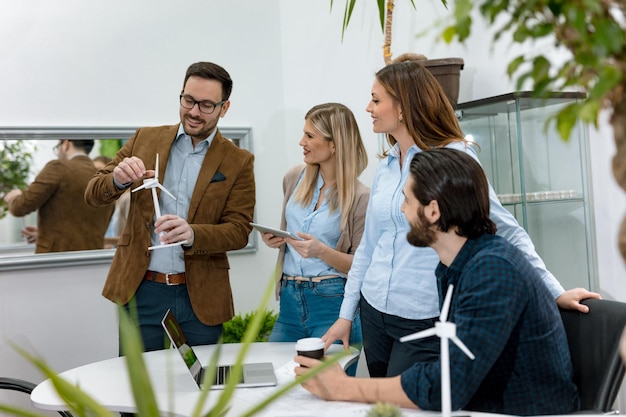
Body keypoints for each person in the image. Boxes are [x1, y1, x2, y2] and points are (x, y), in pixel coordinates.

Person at [322, 59, 601, 377]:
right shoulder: (386, 166)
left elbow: (505, 230)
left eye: (376, 99)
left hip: (423, 315)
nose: (368, 108)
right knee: (384, 407)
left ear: (402, 107)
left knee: (411, 404)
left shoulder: (454, 157)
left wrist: (554, 290)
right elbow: (368, 249)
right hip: (374, 311)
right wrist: (348, 313)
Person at [296, 148, 580, 416]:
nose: (402, 211)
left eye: (407, 200)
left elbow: (450, 383)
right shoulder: (455, 266)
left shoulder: (492, 271)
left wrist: (343, 387)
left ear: (433, 211)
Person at [84, 61, 255, 351]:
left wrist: (193, 234)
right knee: (140, 391)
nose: (193, 112)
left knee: (201, 389)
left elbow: (239, 231)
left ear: (224, 108)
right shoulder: (145, 139)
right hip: (141, 290)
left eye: (206, 105)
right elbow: (93, 193)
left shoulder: (238, 161)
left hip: (201, 296)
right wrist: (118, 179)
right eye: (188, 100)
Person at [260, 103, 369, 373]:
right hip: (289, 300)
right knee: (274, 379)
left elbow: (361, 266)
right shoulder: (294, 178)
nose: (302, 142)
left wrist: (322, 252)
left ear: (334, 145)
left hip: (331, 302)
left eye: (310, 136)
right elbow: (291, 231)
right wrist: (276, 238)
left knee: (329, 391)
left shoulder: (361, 197)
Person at [4, 139, 114, 253]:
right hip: (91, 261)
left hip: (55, 260)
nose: (57, 154)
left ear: (66, 144)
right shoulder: (104, 179)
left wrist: (14, 197)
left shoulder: (58, 168)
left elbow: (20, 207)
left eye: (57, 147)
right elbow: (83, 223)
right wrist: (45, 232)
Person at [93, 155, 130, 248]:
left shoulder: (127, 199)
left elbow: (133, 236)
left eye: (99, 170)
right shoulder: (101, 205)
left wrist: (102, 240)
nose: (96, 176)